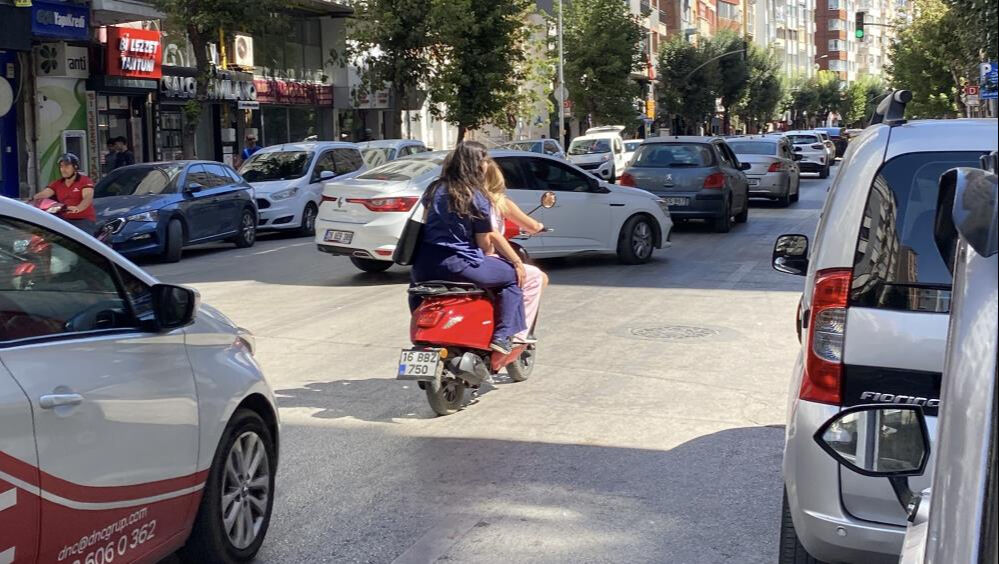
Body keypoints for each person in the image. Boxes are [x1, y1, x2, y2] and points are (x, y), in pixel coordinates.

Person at [411, 142, 526, 354]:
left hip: (423, 266)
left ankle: (421, 332)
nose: (486, 165)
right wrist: (515, 261)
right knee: (512, 277)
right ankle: (502, 337)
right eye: (484, 160)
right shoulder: (476, 195)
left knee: (417, 292)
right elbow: (484, 242)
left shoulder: (434, 189)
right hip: (460, 266)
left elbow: (426, 223)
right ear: (475, 164)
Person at [482, 159, 548, 343]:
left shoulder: (465, 199)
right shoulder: (500, 202)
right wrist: (539, 226)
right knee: (534, 276)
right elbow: (531, 225)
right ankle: (518, 334)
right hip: (485, 259)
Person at [32, 153, 97, 234]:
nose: (63, 169)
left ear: (75, 167)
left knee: (82, 243)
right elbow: (45, 193)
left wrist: (78, 208)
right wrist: (32, 199)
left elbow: (87, 197)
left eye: (67, 166)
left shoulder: (85, 181)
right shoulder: (57, 183)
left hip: (83, 220)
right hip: (65, 220)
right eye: (61, 166)